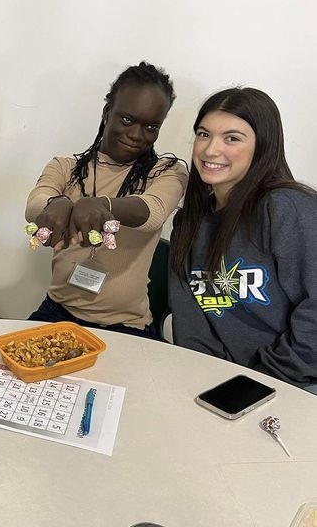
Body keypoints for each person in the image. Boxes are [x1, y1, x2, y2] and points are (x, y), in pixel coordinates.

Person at [25, 62, 189, 338]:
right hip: (58, 312)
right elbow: (35, 204)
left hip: (127, 326)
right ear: (107, 111)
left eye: (151, 126)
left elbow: (154, 212)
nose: (137, 135)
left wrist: (105, 205)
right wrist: (58, 203)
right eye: (126, 119)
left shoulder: (167, 171)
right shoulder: (65, 167)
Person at [169, 87, 317, 390]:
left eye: (232, 138)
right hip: (223, 385)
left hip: (296, 385)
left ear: (262, 147)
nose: (210, 151)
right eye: (203, 134)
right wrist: (210, 383)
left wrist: (261, 381)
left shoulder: (286, 208)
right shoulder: (189, 222)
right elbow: (191, 327)